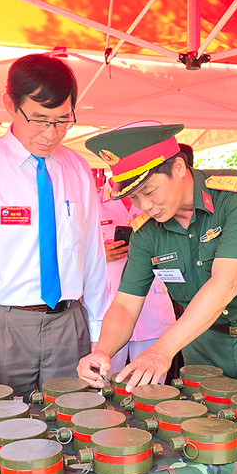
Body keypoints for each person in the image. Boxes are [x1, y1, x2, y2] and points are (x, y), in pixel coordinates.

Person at [77, 121, 237, 391]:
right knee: (203, 428)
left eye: (149, 191)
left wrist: (161, 349)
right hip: (201, 344)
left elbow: (224, 284)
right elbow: (125, 305)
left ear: (178, 167)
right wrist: (103, 350)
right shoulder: (146, 232)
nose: (145, 206)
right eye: (134, 198)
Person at [0, 53, 108, 397]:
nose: (51, 134)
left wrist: (98, 338)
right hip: (3, 327)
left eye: (63, 120)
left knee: (73, 424)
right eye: (38, 119)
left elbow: (93, 259)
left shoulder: (77, 169)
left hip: (70, 325)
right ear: (10, 105)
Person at [94, 159, 175, 376]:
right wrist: (99, 255)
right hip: (106, 311)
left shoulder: (161, 197)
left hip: (153, 306)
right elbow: (70, 253)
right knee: (103, 384)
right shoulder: (92, 202)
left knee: (151, 386)